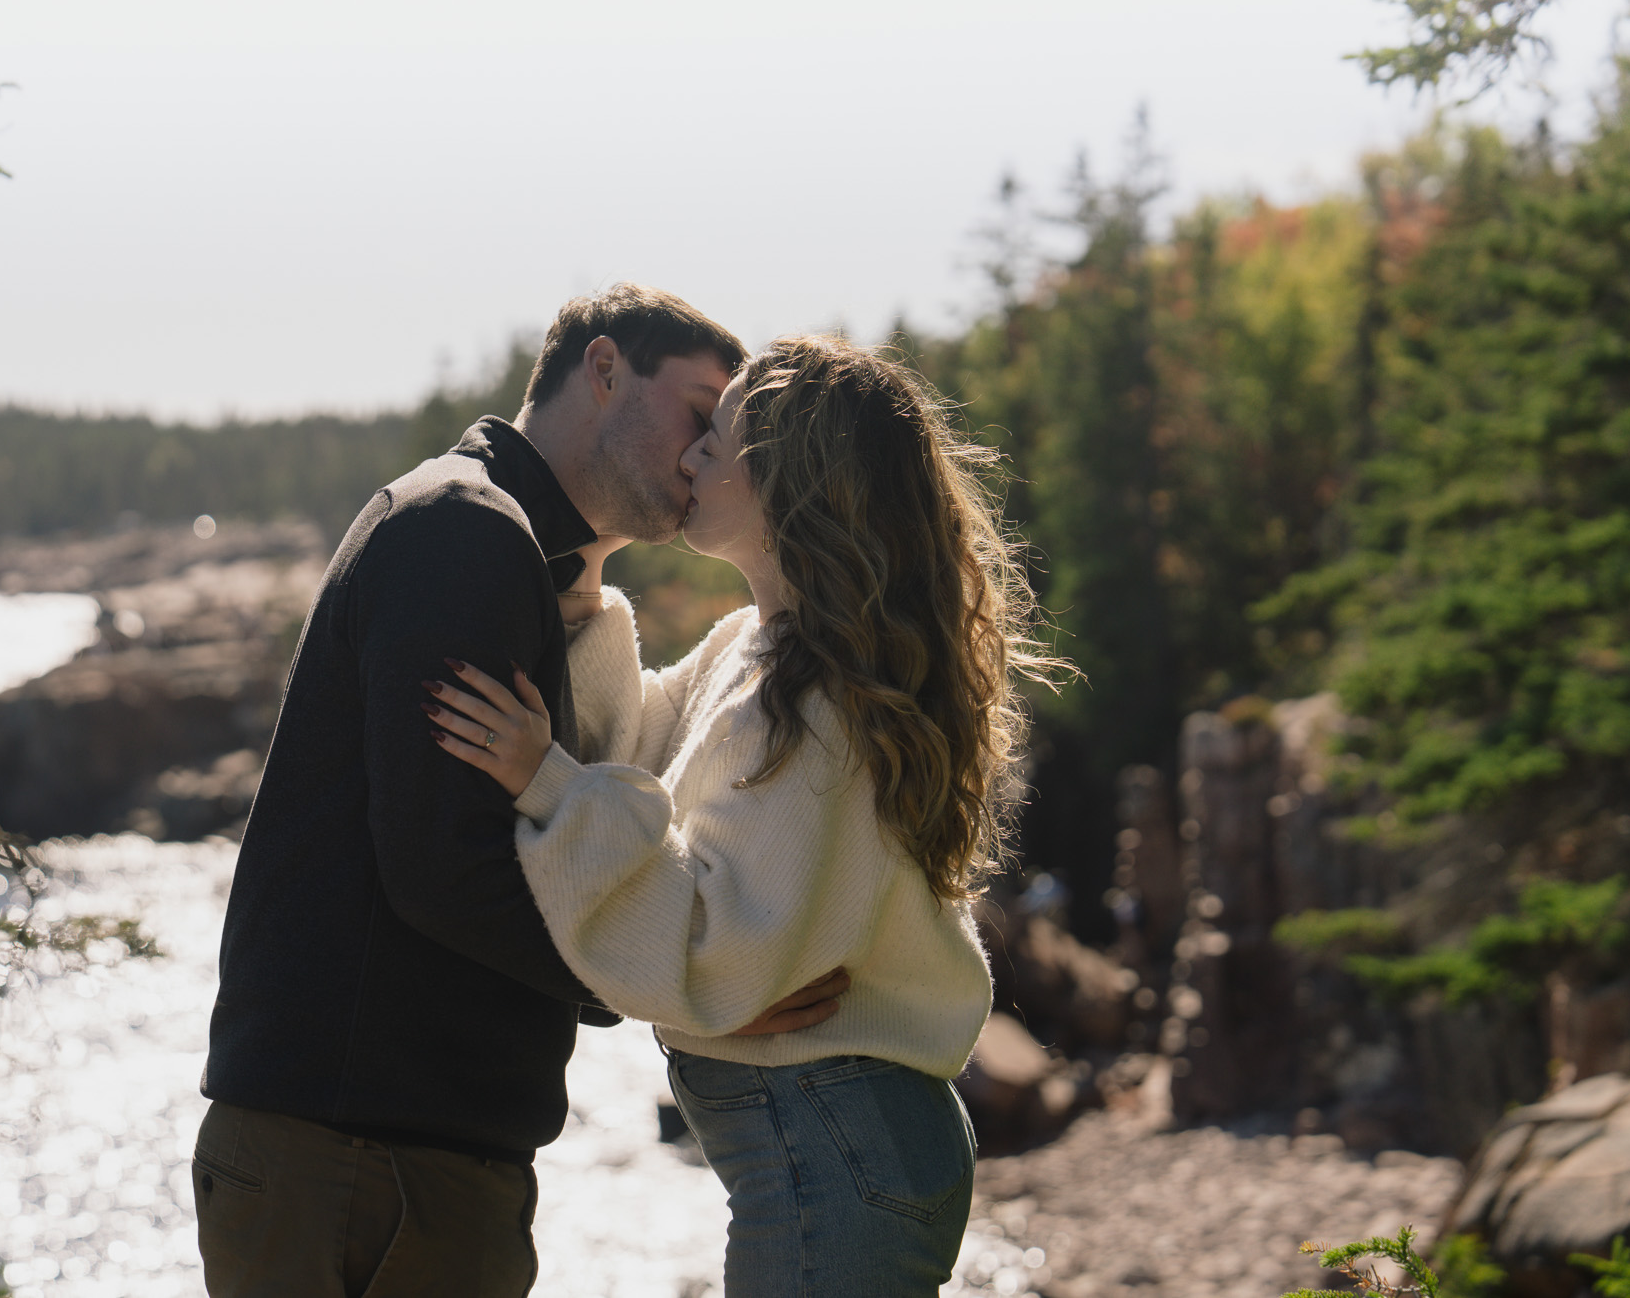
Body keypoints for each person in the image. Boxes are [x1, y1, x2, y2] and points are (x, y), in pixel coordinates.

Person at [195, 285, 847, 1298]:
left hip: (370, 1155)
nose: (698, 453)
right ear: (601, 371)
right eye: (694, 411)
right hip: (365, 1163)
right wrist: (678, 991)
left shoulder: (502, 544)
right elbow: (445, 869)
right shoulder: (465, 532)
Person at [425, 334, 1061, 1296]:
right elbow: (637, 755)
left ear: (789, 479)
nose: (688, 460)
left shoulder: (821, 704)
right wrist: (581, 584)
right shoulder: (759, 648)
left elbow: (715, 947)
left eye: (715, 440)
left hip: (835, 1151)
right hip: (832, 1147)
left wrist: (544, 782)